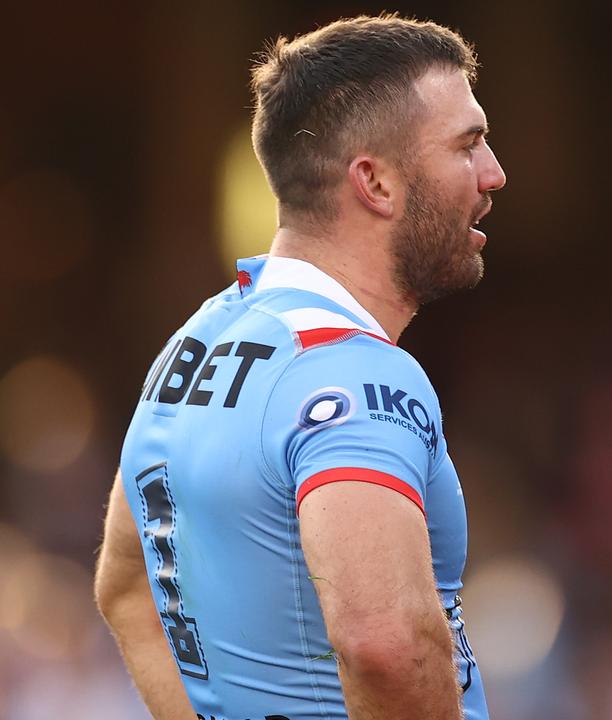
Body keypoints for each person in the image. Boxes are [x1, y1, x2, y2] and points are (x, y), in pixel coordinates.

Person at [93, 15, 505, 720]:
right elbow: (386, 643)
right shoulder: (357, 373)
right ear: (374, 182)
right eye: (466, 146)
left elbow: (125, 585)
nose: (493, 174)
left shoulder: (194, 342)